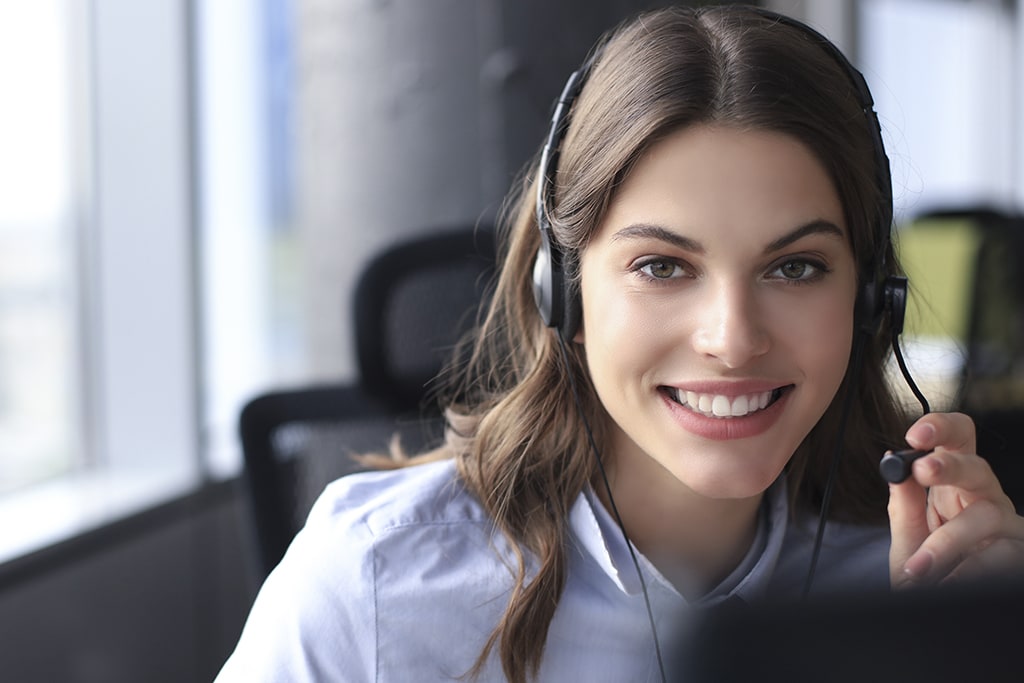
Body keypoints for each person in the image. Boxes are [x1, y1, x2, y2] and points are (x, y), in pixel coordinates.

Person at [216, 5, 1024, 682]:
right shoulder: (377, 588)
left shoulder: (921, 574)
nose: (732, 339)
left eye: (796, 266)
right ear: (563, 292)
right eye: (663, 265)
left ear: (871, 300)